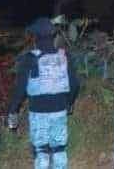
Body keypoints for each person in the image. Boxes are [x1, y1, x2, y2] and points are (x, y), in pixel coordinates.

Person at [8, 17, 80, 169]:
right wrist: (70, 103)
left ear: (35, 37)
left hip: (38, 113)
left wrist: (13, 111)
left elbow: (20, 89)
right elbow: (74, 84)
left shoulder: (29, 59)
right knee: (59, 150)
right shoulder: (64, 56)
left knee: (41, 152)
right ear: (53, 36)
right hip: (60, 110)